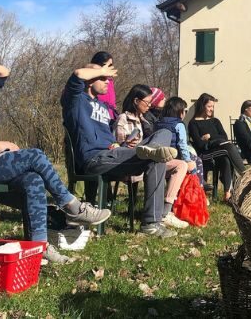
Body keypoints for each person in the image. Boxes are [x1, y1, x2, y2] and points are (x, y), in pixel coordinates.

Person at [0, 54, 111, 264]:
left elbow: (4, 72)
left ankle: (38, 248)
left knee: (33, 180)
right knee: (35, 155)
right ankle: (72, 206)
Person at [61, 61, 179, 238]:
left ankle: (151, 223)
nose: (107, 81)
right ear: (90, 80)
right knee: (156, 157)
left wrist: (118, 145)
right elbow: (77, 73)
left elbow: (109, 139)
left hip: (114, 154)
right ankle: (151, 223)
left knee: (163, 134)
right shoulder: (75, 101)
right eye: (102, 78)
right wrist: (100, 69)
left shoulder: (102, 107)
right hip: (95, 159)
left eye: (107, 78)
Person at [116, 85, 189, 229]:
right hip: (131, 159)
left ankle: (164, 212)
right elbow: (118, 147)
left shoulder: (146, 120)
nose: (149, 106)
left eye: (150, 103)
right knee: (174, 161)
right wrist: (127, 143)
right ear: (136, 101)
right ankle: (163, 214)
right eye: (147, 102)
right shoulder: (123, 119)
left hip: (148, 159)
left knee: (178, 159)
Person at [187, 93, 245, 201]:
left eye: (213, 107)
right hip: (204, 154)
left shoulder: (215, 121)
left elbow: (224, 137)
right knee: (228, 147)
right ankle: (245, 175)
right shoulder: (193, 123)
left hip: (220, 150)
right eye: (209, 106)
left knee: (226, 158)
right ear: (201, 105)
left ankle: (227, 193)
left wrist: (210, 137)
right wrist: (215, 141)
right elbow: (200, 144)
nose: (211, 109)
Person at [154, 97, 205, 191]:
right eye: (185, 110)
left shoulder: (158, 123)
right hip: (176, 154)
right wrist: (188, 160)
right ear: (180, 112)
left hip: (160, 155)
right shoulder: (179, 125)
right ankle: (198, 189)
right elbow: (182, 145)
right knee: (197, 161)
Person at [90, 51, 119, 123]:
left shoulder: (110, 80)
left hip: (110, 117)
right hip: (97, 116)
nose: (108, 68)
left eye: (111, 65)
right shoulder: (91, 80)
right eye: (105, 65)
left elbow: (111, 100)